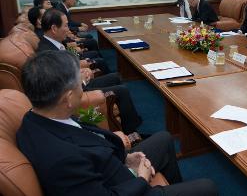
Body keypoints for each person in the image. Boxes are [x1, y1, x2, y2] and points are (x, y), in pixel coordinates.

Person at [17, 50, 217, 196]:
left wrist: (125, 158)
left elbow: (86, 140)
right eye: (80, 82)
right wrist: (141, 178)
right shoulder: (61, 158)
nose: (84, 85)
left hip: (112, 166)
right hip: (122, 186)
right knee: (207, 187)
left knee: (164, 140)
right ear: (68, 98)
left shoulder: (37, 115)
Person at [37, 9, 141, 134]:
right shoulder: (46, 53)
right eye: (65, 25)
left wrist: (80, 70)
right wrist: (80, 79)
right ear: (54, 28)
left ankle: (127, 124)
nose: (68, 28)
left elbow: (65, 71)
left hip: (77, 81)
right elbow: (58, 87)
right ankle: (131, 132)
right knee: (122, 90)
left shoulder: (52, 43)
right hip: (77, 90)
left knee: (116, 77)